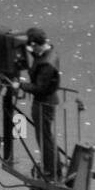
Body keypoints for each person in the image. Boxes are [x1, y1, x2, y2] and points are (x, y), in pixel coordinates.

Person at [14, 27, 60, 180]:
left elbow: (39, 88)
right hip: (48, 101)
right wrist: (30, 50)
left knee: (44, 138)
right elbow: (38, 56)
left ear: (36, 44)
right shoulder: (49, 52)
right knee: (47, 136)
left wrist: (21, 85)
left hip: (43, 104)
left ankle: (50, 170)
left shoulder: (46, 65)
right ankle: (53, 166)